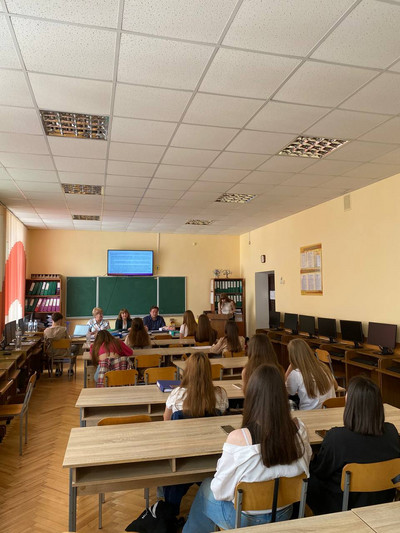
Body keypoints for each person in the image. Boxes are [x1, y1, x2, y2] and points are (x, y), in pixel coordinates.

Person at [183, 364, 312, 532]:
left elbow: (220, 491)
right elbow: (306, 466)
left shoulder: (240, 438)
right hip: (284, 513)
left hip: (243, 520)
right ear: (282, 395)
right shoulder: (300, 429)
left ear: (252, 396)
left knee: (207, 486)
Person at [308, 375, 400, 515]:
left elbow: (321, 471)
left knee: (308, 477)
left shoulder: (336, 438)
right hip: (383, 501)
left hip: (342, 507)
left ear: (350, 404)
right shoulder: (392, 433)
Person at [163, 352, 229, 515]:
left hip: (181, 458)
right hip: (211, 457)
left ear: (187, 371)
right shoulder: (220, 394)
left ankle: (170, 512)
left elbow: (166, 424)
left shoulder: (177, 394)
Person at [163, 351, 228, 420]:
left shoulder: (176, 394)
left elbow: (166, 419)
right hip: (211, 430)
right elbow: (221, 419)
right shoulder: (221, 393)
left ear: (188, 371)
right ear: (209, 371)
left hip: (183, 430)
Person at [285, 338, 336, 410]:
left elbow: (287, 392)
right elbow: (336, 386)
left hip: (308, 414)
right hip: (329, 412)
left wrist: (290, 368)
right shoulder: (324, 367)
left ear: (292, 357)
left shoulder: (296, 374)